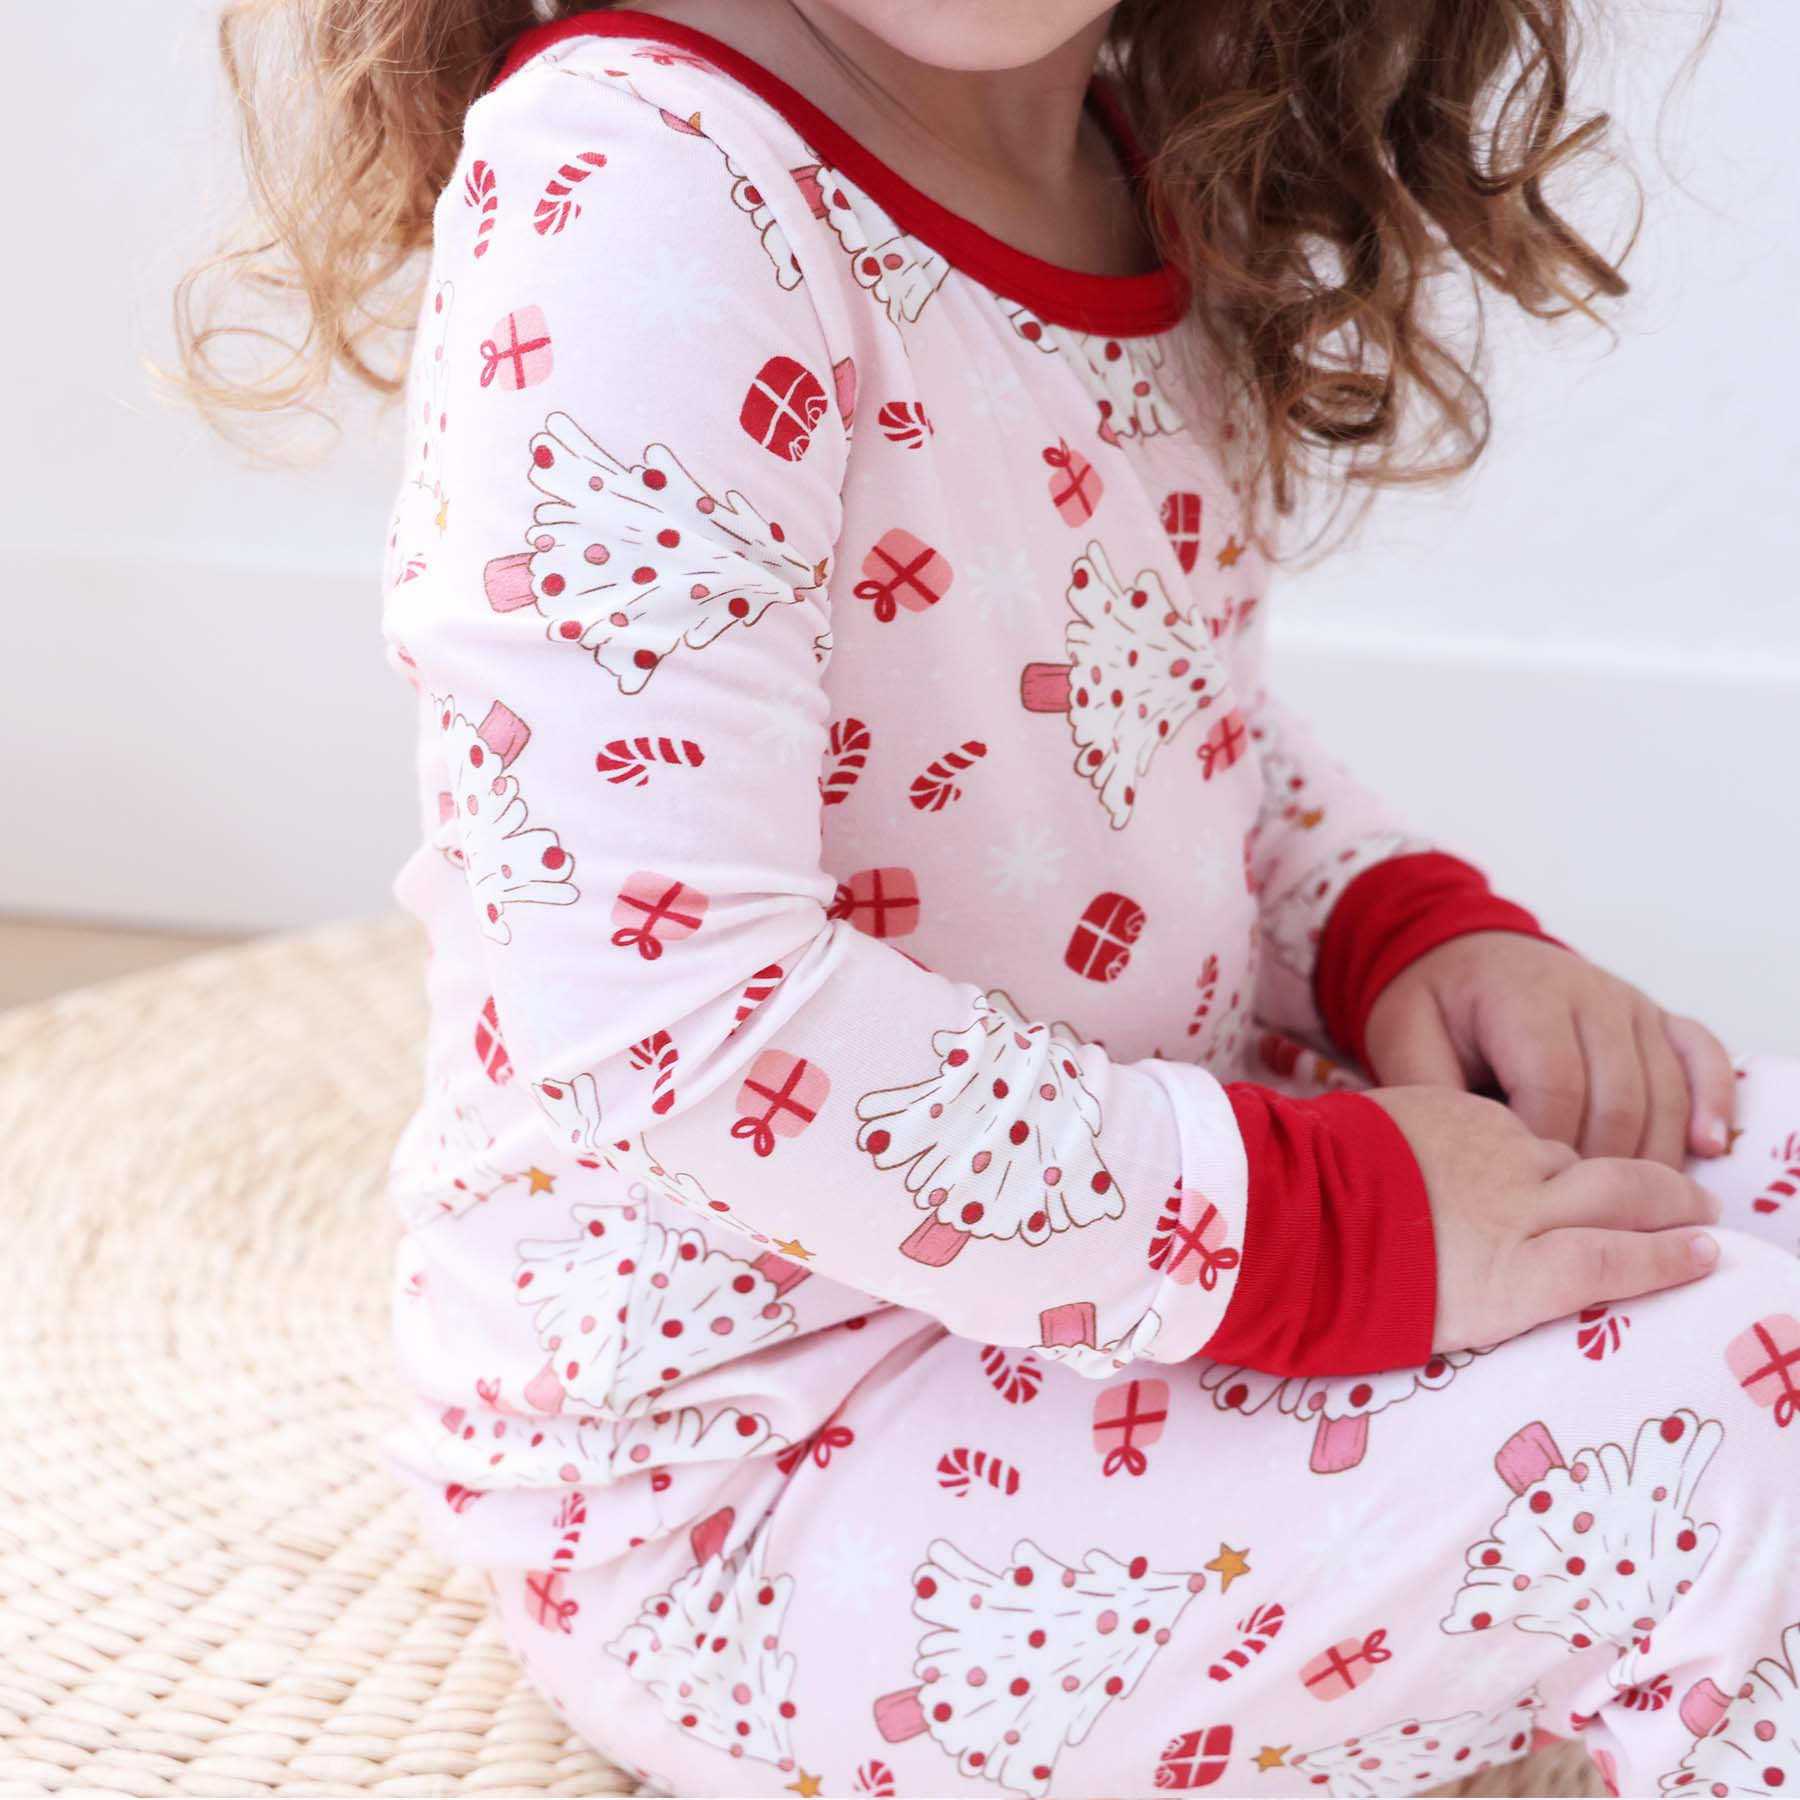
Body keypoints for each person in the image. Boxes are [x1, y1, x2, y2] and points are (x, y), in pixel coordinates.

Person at [172, 2, 1800, 1793]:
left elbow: (1140, 706)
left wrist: (1399, 926)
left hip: (1137, 1238)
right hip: (763, 1466)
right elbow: (672, 1017)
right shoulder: (642, 177)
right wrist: (1321, 1229)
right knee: (1728, 1426)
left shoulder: (1122, 156)